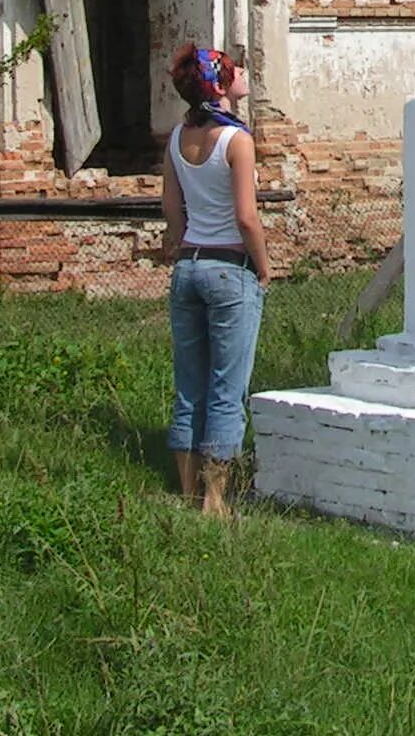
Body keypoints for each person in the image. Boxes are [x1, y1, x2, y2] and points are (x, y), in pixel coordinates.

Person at [159, 42, 271, 516]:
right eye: (233, 69)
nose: (241, 72)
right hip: (230, 269)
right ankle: (216, 498)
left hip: (188, 266)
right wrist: (263, 267)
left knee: (190, 385)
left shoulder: (176, 137)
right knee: (228, 387)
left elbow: (171, 211)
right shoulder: (237, 140)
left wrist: (182, 244)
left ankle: (185, 490)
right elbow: (247, 216)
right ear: (221, 85)